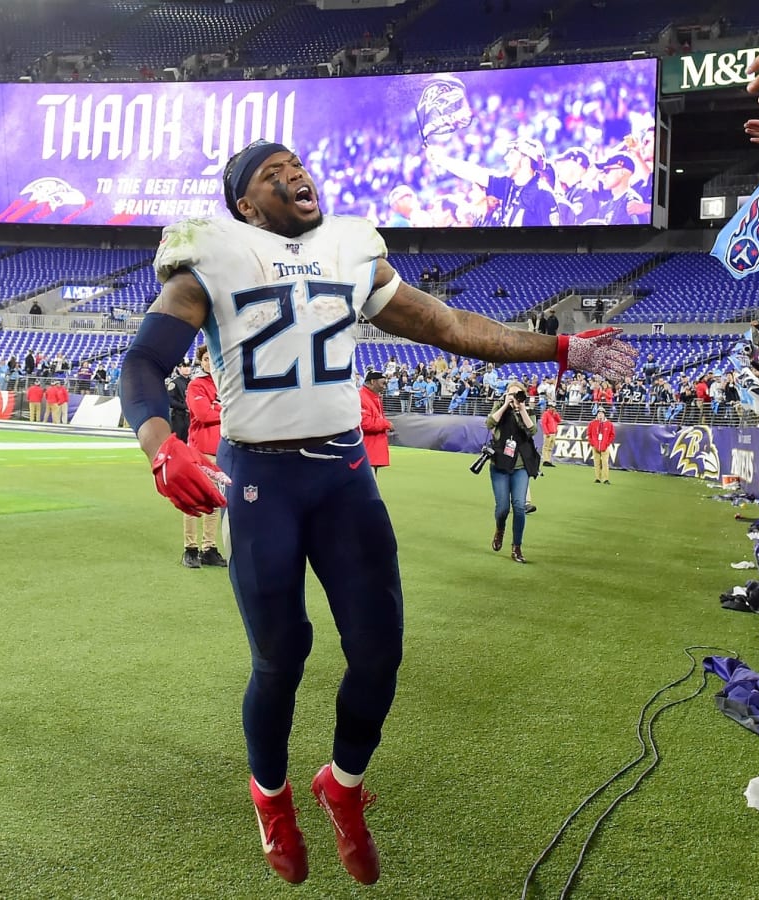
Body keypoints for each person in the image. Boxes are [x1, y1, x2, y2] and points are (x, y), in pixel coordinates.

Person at [117, 140, 635, 886]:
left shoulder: (352, 248)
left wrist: (559, 350)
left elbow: (451, 327)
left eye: (297, 165)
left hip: (343, 476)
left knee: (380, 652)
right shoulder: (213, 253)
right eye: (272, 173)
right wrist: (160, 444)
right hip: (261, 479)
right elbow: (142, 362)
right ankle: (272, 799)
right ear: (243, 204)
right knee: (281, 655)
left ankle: (343, 784)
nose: (294, 174)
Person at [428, 137, 560, 227]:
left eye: (512, 154)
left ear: (526, 161)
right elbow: (473, 172)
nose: (506, 158)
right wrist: (440, 159)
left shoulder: (543, 194)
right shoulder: (507, 184)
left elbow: (553, 241)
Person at [183, 344, 227, 569]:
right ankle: (190, 548)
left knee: (215, 502)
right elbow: (203, 414)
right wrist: (223, 409)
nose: (211, 362)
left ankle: (209, 548)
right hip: (201, 451)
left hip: (222, 452)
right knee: (195, 499)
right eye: (207, 358)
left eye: (214, 358)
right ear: (201, 361)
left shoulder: (224, 383)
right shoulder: (196, 385)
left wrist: (216, 406)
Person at [486, 380, 539, 563]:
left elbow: (532, 430)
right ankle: (500, 529)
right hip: (500, 464)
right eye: (512, 394)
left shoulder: (528, 411)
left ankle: (517, 547)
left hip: (520, 467)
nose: (515, 397)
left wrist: (522, 408)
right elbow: (489, 423)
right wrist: (506, 404)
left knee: (519, 506)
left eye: (518, 394)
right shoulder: (500, 406)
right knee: (502, 509)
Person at [359, 371, 393, 474]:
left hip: (372, 452)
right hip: (366, 451)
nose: (384, 387)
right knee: (366, 488)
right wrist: (386, 424)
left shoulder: (374, 397)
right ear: (373, 382)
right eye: (383, 383)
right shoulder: (362, 397)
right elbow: (365, 423)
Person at [586, 406, 615, 484]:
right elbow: (589, 434)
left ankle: (605, 479)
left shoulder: (609, 424)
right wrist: (592, 443)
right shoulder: (592, 423)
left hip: (605, 447)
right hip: (595, 446)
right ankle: (597, 478)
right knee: (596, 463)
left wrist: (607, 443)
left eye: (602, 413)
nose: (600, 415)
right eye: (599, 413)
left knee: (605, 463)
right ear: (597, 414)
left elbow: (612, 435)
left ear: (604, 414)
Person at [167, 361, 191, 442]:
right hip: (178, 417)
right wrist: (185, 406)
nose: (187, 368)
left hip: (190, 418)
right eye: (184, 366)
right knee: (177, 442)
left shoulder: (193, 382)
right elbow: (170, 401)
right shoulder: (174, 383)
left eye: (188, 366)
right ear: (179, 369)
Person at [539, 399, 561, 468]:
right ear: (549, 407)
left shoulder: (554, 414)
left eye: (554, 407)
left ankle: (548, 460)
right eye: (552, 407)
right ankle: (545, 460)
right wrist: (546, 432)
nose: (553, 408)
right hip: (548, 433)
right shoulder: (546, 414)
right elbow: (543, 423)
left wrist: (556, 414)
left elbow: (559, 420)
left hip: (553, 433)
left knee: (550, 448)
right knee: (546, 447)